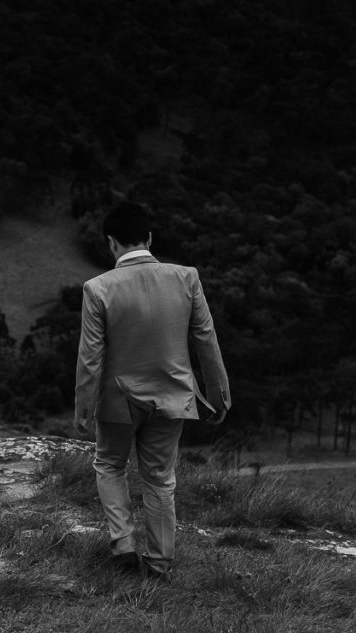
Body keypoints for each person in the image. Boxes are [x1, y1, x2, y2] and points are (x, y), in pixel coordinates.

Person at [74, 201, 230, 582]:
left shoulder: (97, 289)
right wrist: (219, 393)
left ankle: (123, 545)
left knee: (109, 465)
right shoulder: (186, 277)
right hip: (173, 397)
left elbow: (90, 357)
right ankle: (160, 565)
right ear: (148, 238)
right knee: (160, 479)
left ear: (111, 243)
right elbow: (205, 338)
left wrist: (83, 408)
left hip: (117, 402)